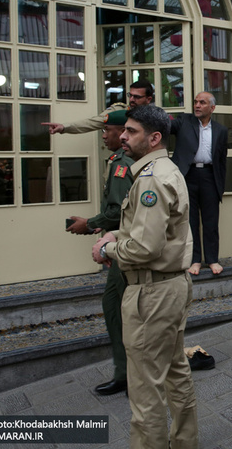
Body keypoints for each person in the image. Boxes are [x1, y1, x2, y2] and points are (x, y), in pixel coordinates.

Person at [92, 105, 197, 449]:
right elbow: (153, 235)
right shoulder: (165, 169)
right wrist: (117, 237)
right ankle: (184, 441)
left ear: (154, 138)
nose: (122, 136)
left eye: (131, 131)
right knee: (175, 372)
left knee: (145, 388)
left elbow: (145, 249)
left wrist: (107, 250)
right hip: (171, 286)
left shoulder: (151, 177)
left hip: (152, 292)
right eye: (124, 130)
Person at [67, 110, 134, 396]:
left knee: (116, 309)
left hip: (124, 246)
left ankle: (127, 374)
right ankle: (129, 372)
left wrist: (91, 224)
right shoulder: (118, 160)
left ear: (122, 133)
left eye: (107, 130)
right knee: (117, 308)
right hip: (117, 241)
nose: (104, 135)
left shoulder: (122, 163)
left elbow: (117, 210)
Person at [171, 92, 229, 276]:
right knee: (191, 221)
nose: (197, 105)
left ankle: (212, 260)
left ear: (212, 108)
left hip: (209, 176)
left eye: (202, 103)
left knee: (211, 221)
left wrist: (220, 184)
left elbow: (221, 160)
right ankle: (194, 260)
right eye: (195, 102)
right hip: (188, 175)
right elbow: (165, 125)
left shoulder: (221, 130)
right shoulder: (184, 122)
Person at [41, 79, 154, 134]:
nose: (132, 100)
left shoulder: (155, 116)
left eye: (137, 97)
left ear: (148, 99)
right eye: (130, 95)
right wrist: (64, 127)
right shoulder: (119, 112)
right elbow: (92, 122)